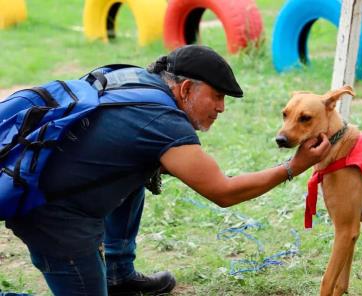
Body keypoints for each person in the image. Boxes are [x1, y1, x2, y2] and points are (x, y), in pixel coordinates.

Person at [4, 45, 331, 296]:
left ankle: (118, 272)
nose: (221, 107)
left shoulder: (129, 77)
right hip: (53, 219)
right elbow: (224, 192)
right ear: (186, 89)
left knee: (142, 167)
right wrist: (294, 166)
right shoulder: (162, 123)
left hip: (43, 181)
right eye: (216, 96)